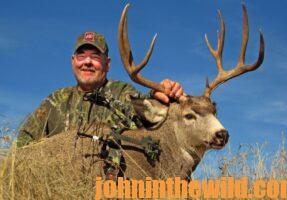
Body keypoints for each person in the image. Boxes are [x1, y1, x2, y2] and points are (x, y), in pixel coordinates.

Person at [17, 31, 184, 179]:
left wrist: (159, 94)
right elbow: (23, 142)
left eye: (96, 56)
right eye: (81, 56)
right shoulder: (55, 101)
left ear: (107, 63)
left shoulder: (121, 92)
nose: (87, 61)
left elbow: (146, 112)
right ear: (73, 61)